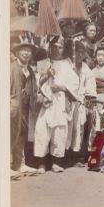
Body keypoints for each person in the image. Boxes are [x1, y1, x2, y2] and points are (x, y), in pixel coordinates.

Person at [34, 36, 79, 173]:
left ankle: (56, 162)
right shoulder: (43, 63)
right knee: (42, 130)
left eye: (60, 47)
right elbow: (36, 83)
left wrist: (62, 87)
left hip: (60, 102)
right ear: (50, 47)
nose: (57, 49)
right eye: (54, 46)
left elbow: (74, 84)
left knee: (59, 131)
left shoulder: (67, 64)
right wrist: (47, 75)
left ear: (63, 49)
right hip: (46, 102)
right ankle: (41, 163)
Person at [10, 34, 39, 177]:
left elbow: (34, 89)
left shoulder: (31, 71)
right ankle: (8, 165)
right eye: (23, 50)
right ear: (17, 52)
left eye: (28, 50)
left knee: (21, 135)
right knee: (11, 134)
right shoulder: (12, 68)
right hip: (14, 108)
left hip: (26, 108)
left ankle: (20, 164)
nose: (26, 53)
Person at [66, 41, 97, 167]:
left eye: (80, 52)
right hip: (66, 101)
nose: (77, 55)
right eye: (75, 52)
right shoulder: (67, 66)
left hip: (81, 102)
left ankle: (78, 155)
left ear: (83, 54)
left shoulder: (87, 70)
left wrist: (88, 107)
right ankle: (65, 155)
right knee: (67, 129)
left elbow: (90, 90)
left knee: (81, 126)